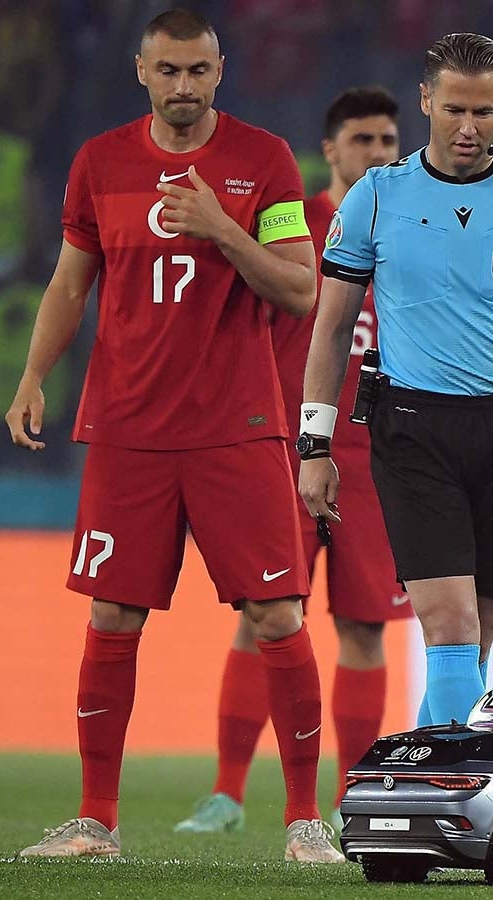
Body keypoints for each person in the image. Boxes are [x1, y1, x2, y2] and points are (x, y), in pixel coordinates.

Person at [5, 9, 342, 863]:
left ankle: (306, 821)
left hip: (237, 426)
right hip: (127, 430)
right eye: (168, 71)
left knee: (276, 612)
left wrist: (222, 230)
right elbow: (70, 283)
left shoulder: (262, 162)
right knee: (113, 614)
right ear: (141, 71)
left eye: (198, 70)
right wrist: (33, 376)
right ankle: (94, 823)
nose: (184, 86)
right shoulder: (101, 163)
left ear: (221, 70)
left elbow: (301, 290)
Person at [299, 33, 493, 728]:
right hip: (413, 429)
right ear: (427, 100)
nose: (469, 128)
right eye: (455, 110)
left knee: (479, 635)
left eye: (485, 113)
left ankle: (434, 780)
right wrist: (314, 445)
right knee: (451, 625)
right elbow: (331, 326)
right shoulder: (378, 196)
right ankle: (449, 789)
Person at [172, 86, 410, 835]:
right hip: (284, 447)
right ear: (330, 150)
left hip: (377, 460)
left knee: (366, 628)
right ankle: (228, 793)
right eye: (363, 140)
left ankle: (354, 799)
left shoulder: (415, 229)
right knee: (264, 614)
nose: (378, 153)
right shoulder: (292, 222)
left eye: (388, 141)